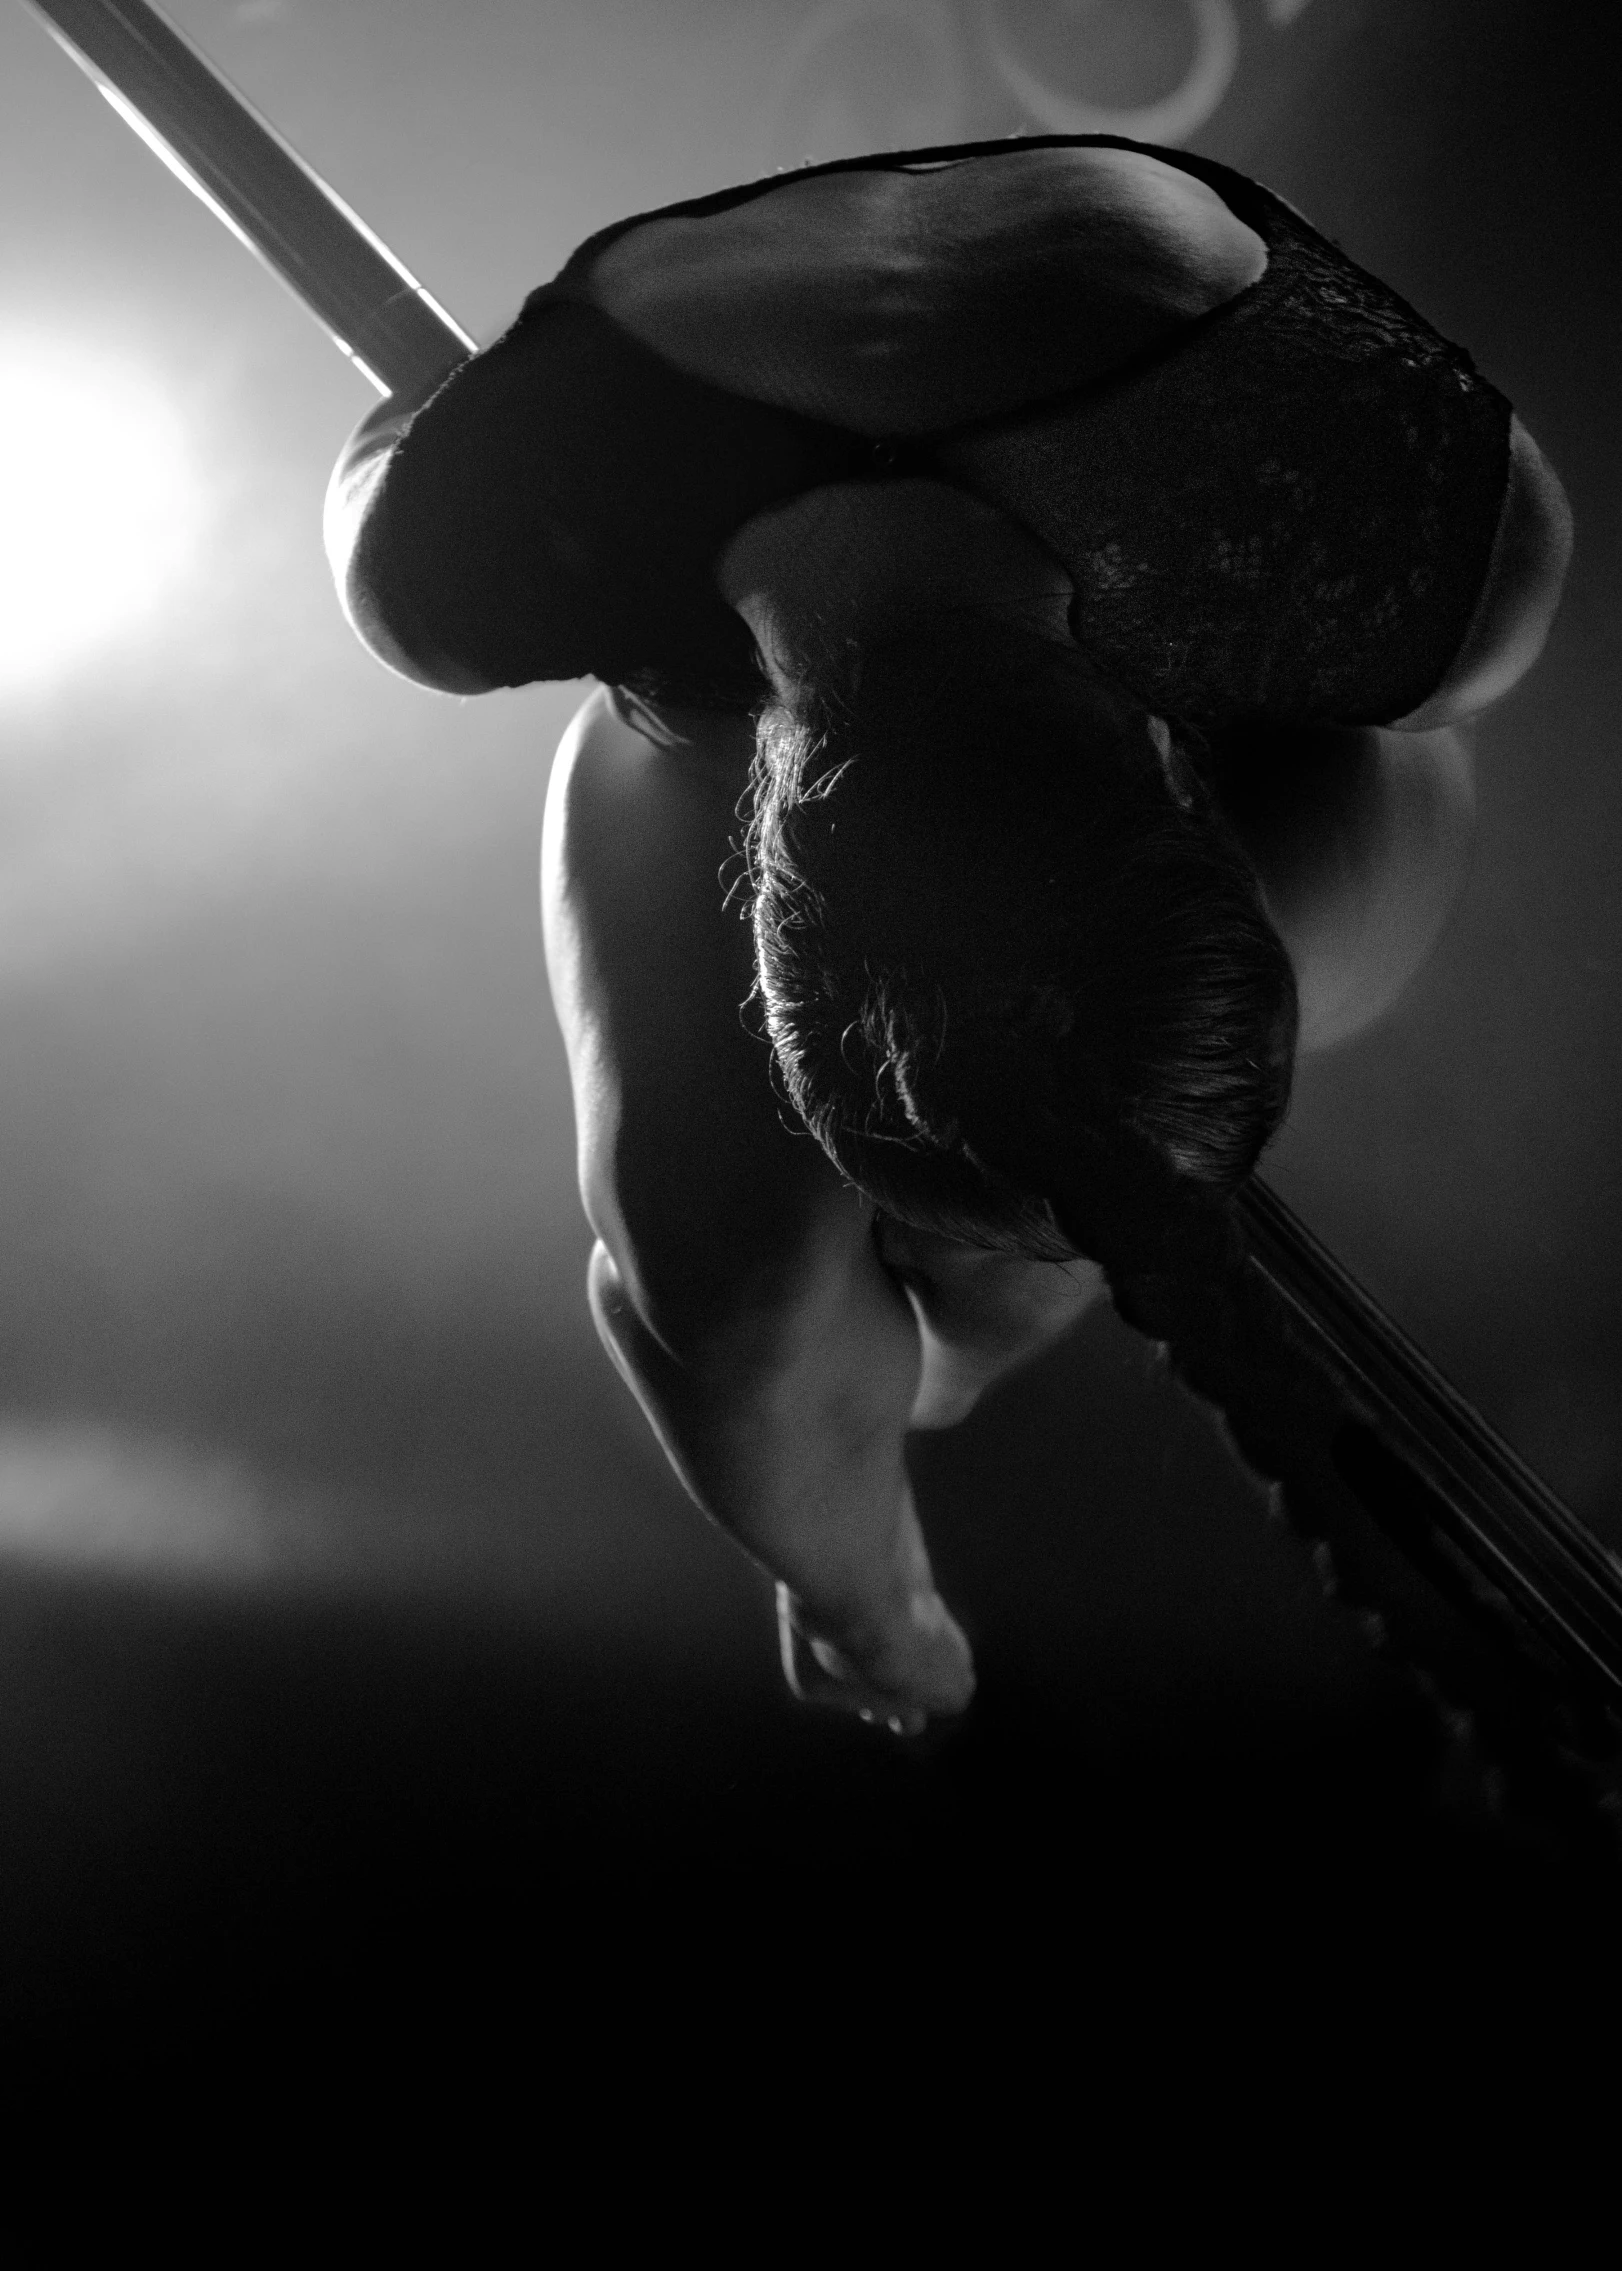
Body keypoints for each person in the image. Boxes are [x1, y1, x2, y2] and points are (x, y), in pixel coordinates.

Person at [326, 135, 1572, 1734]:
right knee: (728, 1287)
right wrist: (852, 1576)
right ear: (763, 894)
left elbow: (1391, 740)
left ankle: (984, 1317)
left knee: (1059, 1194)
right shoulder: (475, 542)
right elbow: (387, 445)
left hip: (1193, 559)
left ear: (1157, 763)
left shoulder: (1389, 543)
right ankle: (871, 1595)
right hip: (725, 660)